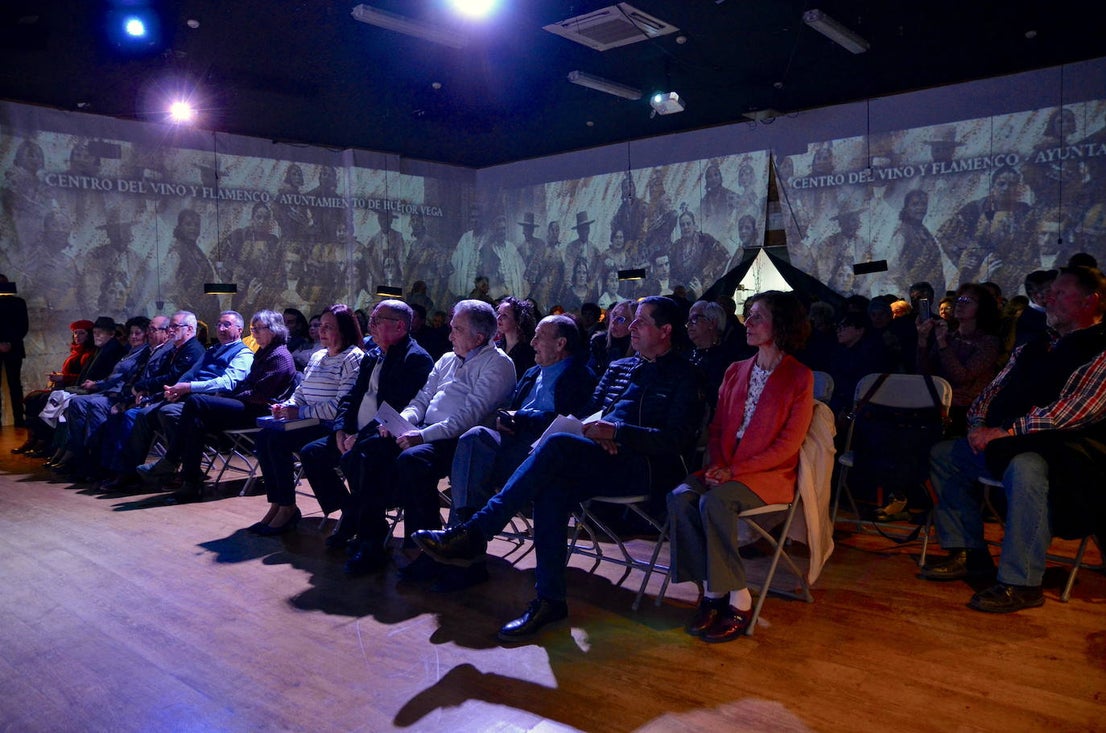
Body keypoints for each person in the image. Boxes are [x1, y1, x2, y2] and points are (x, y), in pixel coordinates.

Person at [412, 297, 704, 641]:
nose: (632, 328)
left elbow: (677, 442)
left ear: (666, 330)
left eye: (641, 322)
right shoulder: (620, 367)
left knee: (556, 445)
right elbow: (587, 414)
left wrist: (619, 433)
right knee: (552, 489)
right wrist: (593, 431)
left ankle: (476, 531)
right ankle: (550, 600)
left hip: (644, 468)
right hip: (598, 456)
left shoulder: (685, 375)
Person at [919, 266, 1106, 613]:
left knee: (1026, 468)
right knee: (945, 454)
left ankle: (1022, 582)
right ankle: (968, 552)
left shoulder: (1100, 348)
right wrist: (977, 425)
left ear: (1090, 300)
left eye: (1059, 293)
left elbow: (1077, 410)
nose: (1048, 298)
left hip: (1067, 451)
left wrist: (1007, 431)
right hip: (1005, 439)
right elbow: (992, 391)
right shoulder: (1035, 346)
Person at [667, 291, 814, 642]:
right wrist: (719, 465)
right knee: (680, 497)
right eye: (748, 315)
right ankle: (712, 589)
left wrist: (734, 471)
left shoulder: (799, 377)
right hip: (726, 469)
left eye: (757, 317)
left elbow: (787, 447)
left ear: (781, 324)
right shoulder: (736, 370)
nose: (747, 323)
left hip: (768, 475)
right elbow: (717, 428)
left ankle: (737, 596)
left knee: (714, 502)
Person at [341, 300, 516, 577]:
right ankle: (371, 538)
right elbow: (420, 400)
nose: (450, 335)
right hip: (424, 431)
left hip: (461, 441)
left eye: (457, 329)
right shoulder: (447, 359)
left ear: (479, 337)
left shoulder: (498, 365)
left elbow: (467, 418)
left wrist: (420, 436)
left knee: (412, 460)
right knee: (364, 451)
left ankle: (422, 544)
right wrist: (401, 422)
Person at [438, 314, 596, 590]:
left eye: (539, 337)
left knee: (473, 467)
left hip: (543, 454)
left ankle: (463, 549)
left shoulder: (580, 376)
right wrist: (504, 418)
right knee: (474, 438)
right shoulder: (533, 372)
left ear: (560, 343)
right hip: (513, 443)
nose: (532, 342)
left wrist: (521, 419)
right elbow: (510, 406)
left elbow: (569, 421)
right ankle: (462, 531)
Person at [298, 300, 434, 543]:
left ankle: (371, 535)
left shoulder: (415, 359)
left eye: (377, 320)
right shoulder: (372, 355)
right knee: (312, 453)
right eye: (371, 319)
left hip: (386, 436)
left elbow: (395, 408)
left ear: (400, 326)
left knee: (356, 458)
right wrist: (341, 429)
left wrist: (359, 437)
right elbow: (350, 397)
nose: (370, 324)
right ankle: (351, 509)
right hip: (354, 432)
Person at [138, 310, 298, 505]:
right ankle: (190, 483)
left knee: (196, 402)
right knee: (196, 421)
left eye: (258, 329)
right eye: (253, 328)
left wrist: (230, 394)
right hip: (247, 405)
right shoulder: (265, 352)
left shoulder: (279, 356)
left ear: (273, 330)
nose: (254, 333)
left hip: (262, 411)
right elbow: (247, 387)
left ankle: (171, 461)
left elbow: (258, 395)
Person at [250, 304, 365, 534]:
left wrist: (300, 413)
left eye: (328, 327)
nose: (321, 331)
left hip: (332, 425)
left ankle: (290, 509)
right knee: (264, 437)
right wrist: (288, 405)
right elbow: (302, 391)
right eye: (320, 326)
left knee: (278, 441)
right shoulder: (318, 355)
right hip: (308, 420)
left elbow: (341, 407)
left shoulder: (353, 357)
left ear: (343, 330)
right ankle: (280, 503)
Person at [917, 283, 1002, 435]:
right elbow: (925, 371)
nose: (960, 304)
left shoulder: (988, 342)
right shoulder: (949, 336)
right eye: (959, 299)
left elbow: (961, 376)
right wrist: (922, 339)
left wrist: (942, 344)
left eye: (967, 301)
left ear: (981, 308)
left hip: (965, 412)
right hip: (937, 403)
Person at [13, 320, 96, 456]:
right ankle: (33, 439)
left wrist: (64, 378)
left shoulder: (89, 353)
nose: (77, 336)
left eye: (82, 333)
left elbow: (83, 377)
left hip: (75, 389)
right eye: (75, 333)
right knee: (33, 398)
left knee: (41, 400)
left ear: (89, 335)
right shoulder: (76, 351)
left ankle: (46, 441)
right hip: (67, 386)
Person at [686, 300, 739, 409]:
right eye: (688, 320)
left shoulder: (727, 360)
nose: (689, 324)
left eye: (695, 319)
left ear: (712, 323)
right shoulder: (685, 354)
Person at [0, 274, 29, 427]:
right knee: (15, 385)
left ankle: (19, 419)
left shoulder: (19, 303)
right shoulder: (18, 303)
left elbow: (23, 326)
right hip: (14, 347)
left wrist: (8, 343)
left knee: (15, 385)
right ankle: (18, 419)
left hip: (14, 347)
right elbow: (23, 326)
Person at [587, 300, 634, 375]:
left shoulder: (641, 349)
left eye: (621, 319)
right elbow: (590, 373)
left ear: (634, 323)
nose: (613, 322)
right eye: (614, 315)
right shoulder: (600, 342)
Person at [495, 296, 537, 379]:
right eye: (498, 314)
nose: (498, 318)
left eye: (504, 315)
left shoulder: (529, 351)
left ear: (518, 320)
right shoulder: (495, 347)